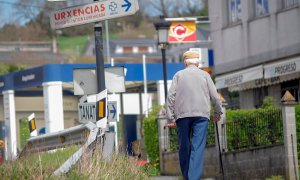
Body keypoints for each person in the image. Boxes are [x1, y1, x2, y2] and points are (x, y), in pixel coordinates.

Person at [166, 50, 222, 180]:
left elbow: (170, 96)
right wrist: (217, 112)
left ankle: (187, 177)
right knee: (198, 148)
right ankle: (193, 178)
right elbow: (215, 96)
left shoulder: (178, 75)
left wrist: (170, 117)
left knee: (184, 147)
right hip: (201, 116)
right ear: (197, 63)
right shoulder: (205, 75)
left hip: (182, 116)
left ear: (185, 62)